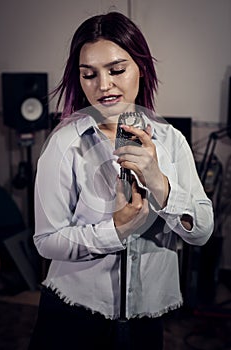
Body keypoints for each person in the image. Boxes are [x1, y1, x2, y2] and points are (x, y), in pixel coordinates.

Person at [28, 11, 214, 350]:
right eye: (89, 74)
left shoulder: (170, 141)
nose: (103, 86)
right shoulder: (64, 143)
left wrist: (160, 183)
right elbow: (45, 240)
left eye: (116, 70)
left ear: (140, 67)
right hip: (74, 314)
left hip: (145, 320)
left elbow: (201, 231)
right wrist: (115, 230)